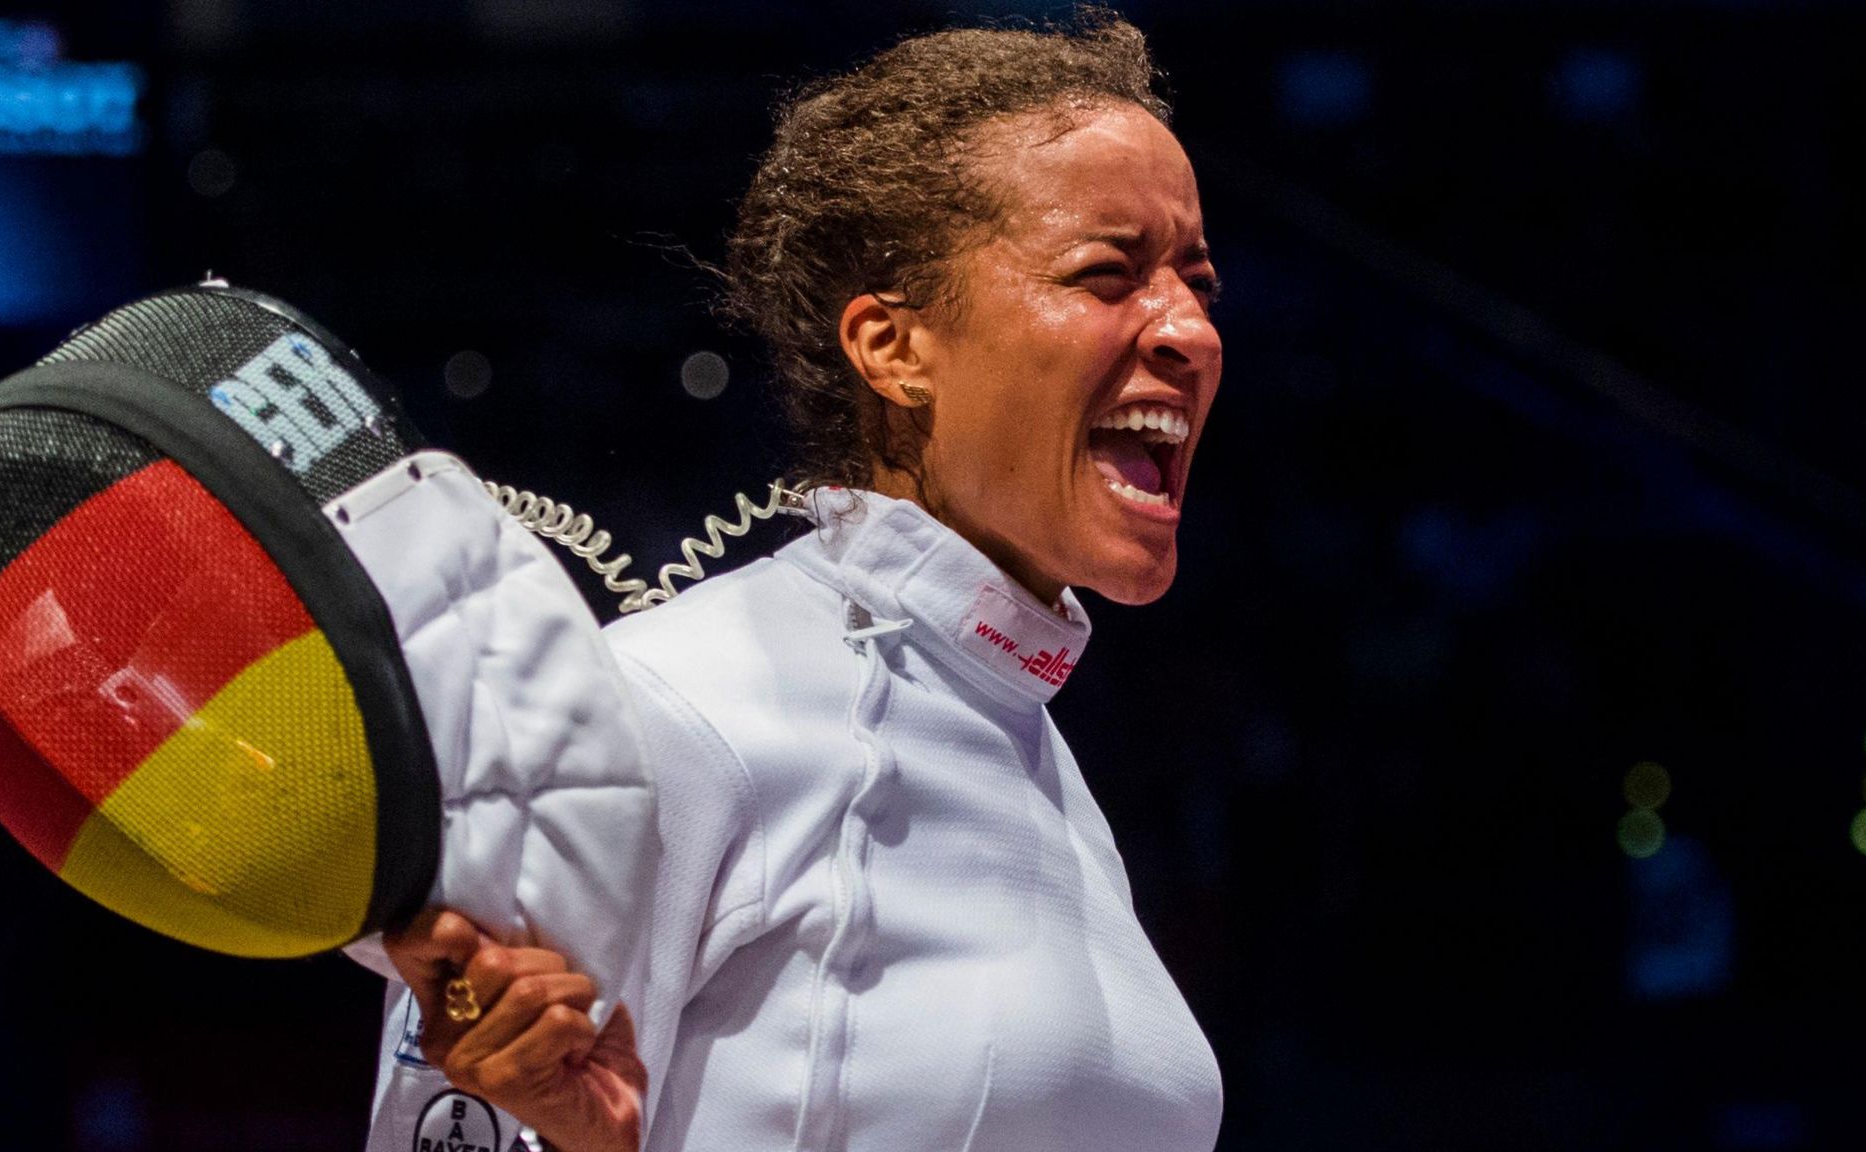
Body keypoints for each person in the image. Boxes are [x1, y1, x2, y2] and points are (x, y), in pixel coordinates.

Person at [358, 11, 1225, 1151]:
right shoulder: (667, 708)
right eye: (1105, 273)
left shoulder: (1042, 770)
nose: (1188, 331)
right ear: (893, 348)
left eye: (1197, 281)